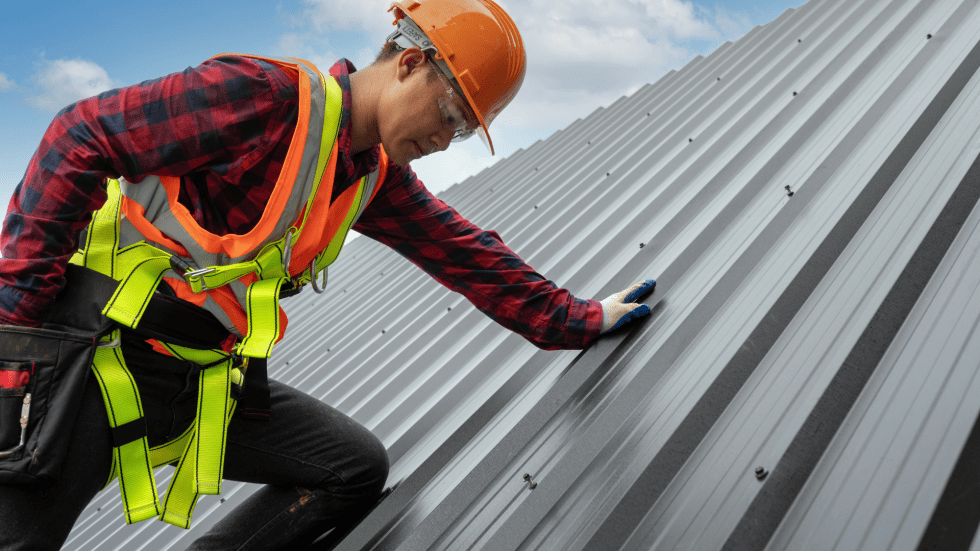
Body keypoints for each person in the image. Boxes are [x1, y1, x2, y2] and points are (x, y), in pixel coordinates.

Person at [0, 0, 655, 549]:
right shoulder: (263, 97)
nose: (447, 138)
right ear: (409, 63)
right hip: (93, 360)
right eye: (452, 115)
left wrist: (582, 317)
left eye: (465, 131)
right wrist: (18, 337)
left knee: (351, 469)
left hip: (196, 380)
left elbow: (467, 253)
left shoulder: (372, 176)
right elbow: (77, 136)